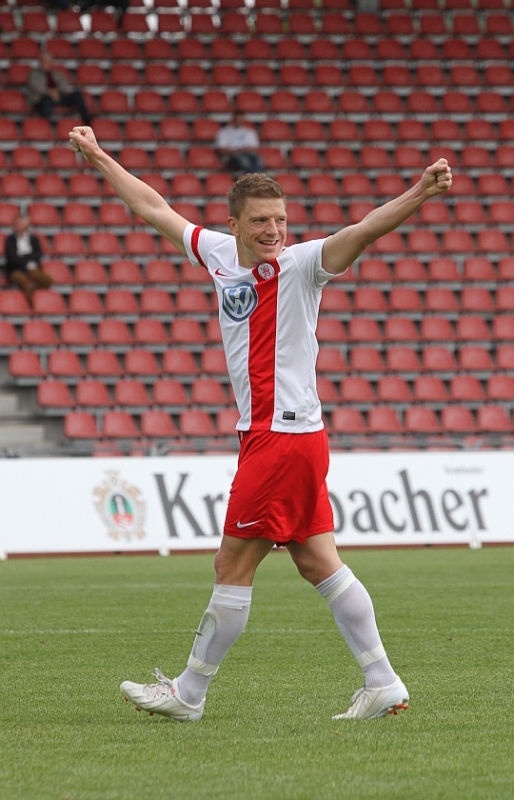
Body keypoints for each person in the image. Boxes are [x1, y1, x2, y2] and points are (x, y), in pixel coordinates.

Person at [69, 124, 452, 721]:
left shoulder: (303, 265)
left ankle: (188, 693)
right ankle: (383, 682)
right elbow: (153, 207)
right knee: (318, 562)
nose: (274, 230)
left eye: (280, 219)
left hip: (283, 438)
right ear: (235, 225)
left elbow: (363, 230)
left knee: (233, 565)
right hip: (280, 437)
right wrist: (98, 157)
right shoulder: (219, 255)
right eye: (260, 221)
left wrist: (420, 191)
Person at [27, 51, 92, 126]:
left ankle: (86, 120)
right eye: (44, 61)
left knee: (77, 95)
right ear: (40, 61)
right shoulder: (34, 73)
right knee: (45, 102)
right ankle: (47, 126)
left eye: (49, 61)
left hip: (58, 96)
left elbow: (64, 84)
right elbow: (36, 86)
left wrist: (57, 92)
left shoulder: (56, 73)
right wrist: (50, 93)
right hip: (42, 98)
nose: (47, 63)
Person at [3, 212, 54, 306]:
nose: (18, 226)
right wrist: (28, 258)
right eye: (16, 224)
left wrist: (23, 256)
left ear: (26, 225)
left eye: (20, 223)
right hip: (16, 270)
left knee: (47, 280)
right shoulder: (10, 240)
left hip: (32, 269)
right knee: (22, 281)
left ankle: (31, 293)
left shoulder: (34, 239)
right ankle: (31, 304)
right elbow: (12, 258)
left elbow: (38, 255)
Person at [215, 111, 264, 176]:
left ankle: (254, 176)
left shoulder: (249, 132)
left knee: (259, 160)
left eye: (241, 119)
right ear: (233, 119)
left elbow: (256, 149)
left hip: (248, 154)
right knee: (244, 160)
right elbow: (221, 150)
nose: (239, 121)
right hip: (231, 156)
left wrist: (244, 150)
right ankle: (253, 177)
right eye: (237, 119)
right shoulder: (224, 132)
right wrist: (237, 150)